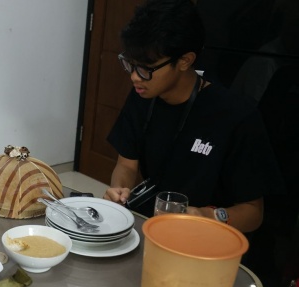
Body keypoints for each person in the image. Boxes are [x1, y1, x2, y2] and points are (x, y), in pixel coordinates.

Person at [102, 0, 283, 233]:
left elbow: (253, 213)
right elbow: (126, 163)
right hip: (154, 226)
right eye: (131, 64)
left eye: (146, 68)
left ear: (185, 61)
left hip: (208, 237)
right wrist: (120, 189)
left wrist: (205, 215)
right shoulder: (143, 95)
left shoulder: (236, 116)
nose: (135, 77)